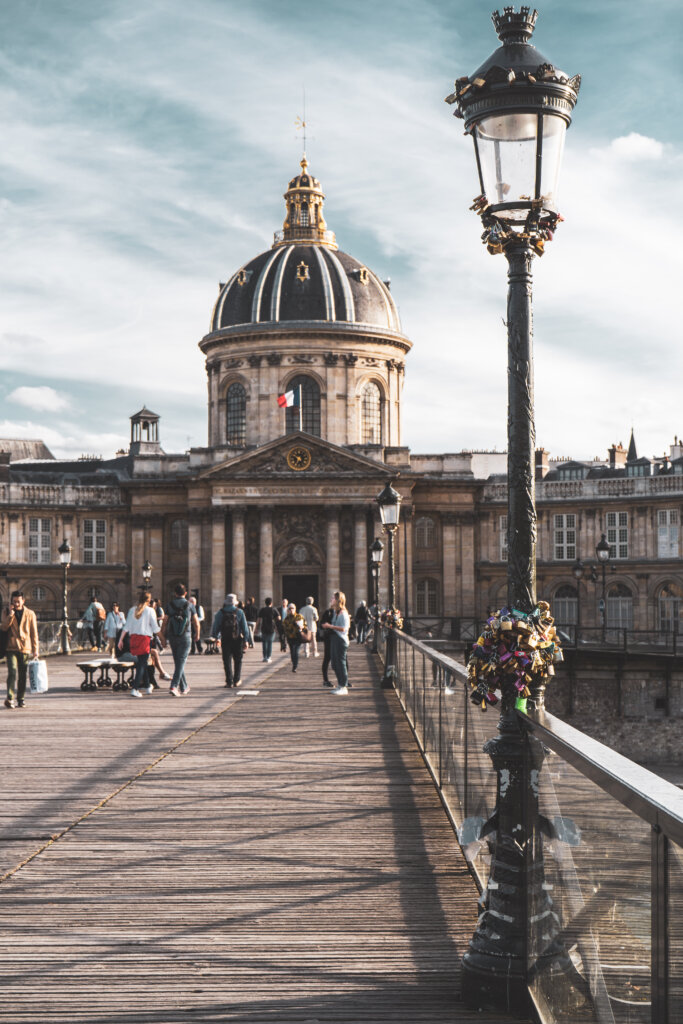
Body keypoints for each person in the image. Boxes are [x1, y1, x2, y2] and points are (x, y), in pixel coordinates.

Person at [159, 583, 199, 696]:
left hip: (173, 636)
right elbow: (196, 622)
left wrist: (163, 637)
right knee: (181, 661)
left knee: (178, 662)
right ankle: (174, 686)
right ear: (185, 593)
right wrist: (197, 634)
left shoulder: (169, 605)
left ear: (175, 593)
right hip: (185, 636)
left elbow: (165, 622)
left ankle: (184, 686)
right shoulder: (190, 605)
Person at [118, 591, 161, 698]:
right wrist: (162, 637)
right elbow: (155, 628)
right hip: (144, 639)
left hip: (133, 639)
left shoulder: (132, 610)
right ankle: (135, 688)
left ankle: (147, 686)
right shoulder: (150, 610)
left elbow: (126, 627)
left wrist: (120, 640)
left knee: (142, 662)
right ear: (148, 600)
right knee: (142, 664)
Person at [1, 591, 39, 709]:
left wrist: (35, 649)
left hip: (25, 647)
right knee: (12, 672)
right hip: (11, 647)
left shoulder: (30, 613)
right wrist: (11, 615)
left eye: (18, 601)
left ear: (23, 601)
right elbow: (3, 627)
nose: (16, 604)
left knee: (22, 675)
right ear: (11, 602)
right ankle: (10, 697)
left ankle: (21, 698)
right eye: (14, 602)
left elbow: (34, 633)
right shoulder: (6, 612)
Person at [211, 593, 249, 687]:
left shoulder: (220, 612)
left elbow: (216, 627)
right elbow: (245, 628)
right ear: (235, 602)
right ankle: (237, 680)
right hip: (237, 639)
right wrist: (246, 640)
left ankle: (229, 681)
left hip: (225, 639)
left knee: (227, 660)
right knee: (238, 660)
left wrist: (217, 638)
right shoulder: (239, 612)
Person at [322, 591, 351, 695]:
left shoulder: (343, 613)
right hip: (335, 639)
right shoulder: (336, 612)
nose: (331, 600)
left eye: (333, 598)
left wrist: (330, 626)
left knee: (341, 663)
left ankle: (343, 686)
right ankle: (340, 685)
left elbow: (344, 628)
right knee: (335, 663)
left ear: (338, 600)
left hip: (341, 640)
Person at [282, 603, 306, 673]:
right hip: (290, 637)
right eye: (289, 608)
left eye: (292, 608)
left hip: (297, 637)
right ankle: (294, 663)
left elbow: (304, 625)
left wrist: (301, 626)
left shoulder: (299, 616)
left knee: (296, 651)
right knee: (292, 652)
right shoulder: (286, 619)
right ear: (287, 610)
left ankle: (295, 666)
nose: (291, 610)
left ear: (295, 609)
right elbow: (285, 628)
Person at [255, 597, 280, 663]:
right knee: (270, 643)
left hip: (264, 628)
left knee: (264, 643)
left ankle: (264, 657)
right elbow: (279, 618)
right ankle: (269, 657)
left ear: (265, 603)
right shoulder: (274, 609)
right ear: (271, 603)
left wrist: (256, 628)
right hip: (271, 628)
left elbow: (259, 620)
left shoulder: (262, 610)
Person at [319, 599, 335, 687]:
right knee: (327, 658)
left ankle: (344, 680)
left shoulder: (340, 613)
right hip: (329, 638)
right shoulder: (328, 612)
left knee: (342, 660)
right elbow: (321, 624)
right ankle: (325, 680)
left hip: (337, 638)